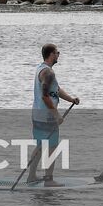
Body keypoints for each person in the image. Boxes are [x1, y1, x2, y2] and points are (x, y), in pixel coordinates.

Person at [31, 44, 80, 187]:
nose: (59, 55)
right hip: (47, 116)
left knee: (40, 145)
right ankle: (49, 180)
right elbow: (45, 97)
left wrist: (71, 99)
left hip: (37, 113)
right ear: (51, 54)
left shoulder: (41, 69)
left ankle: (31, 176)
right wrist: (57, 115)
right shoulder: (48, 73)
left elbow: (56, 90)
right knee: (51, 147)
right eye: (57, 52)